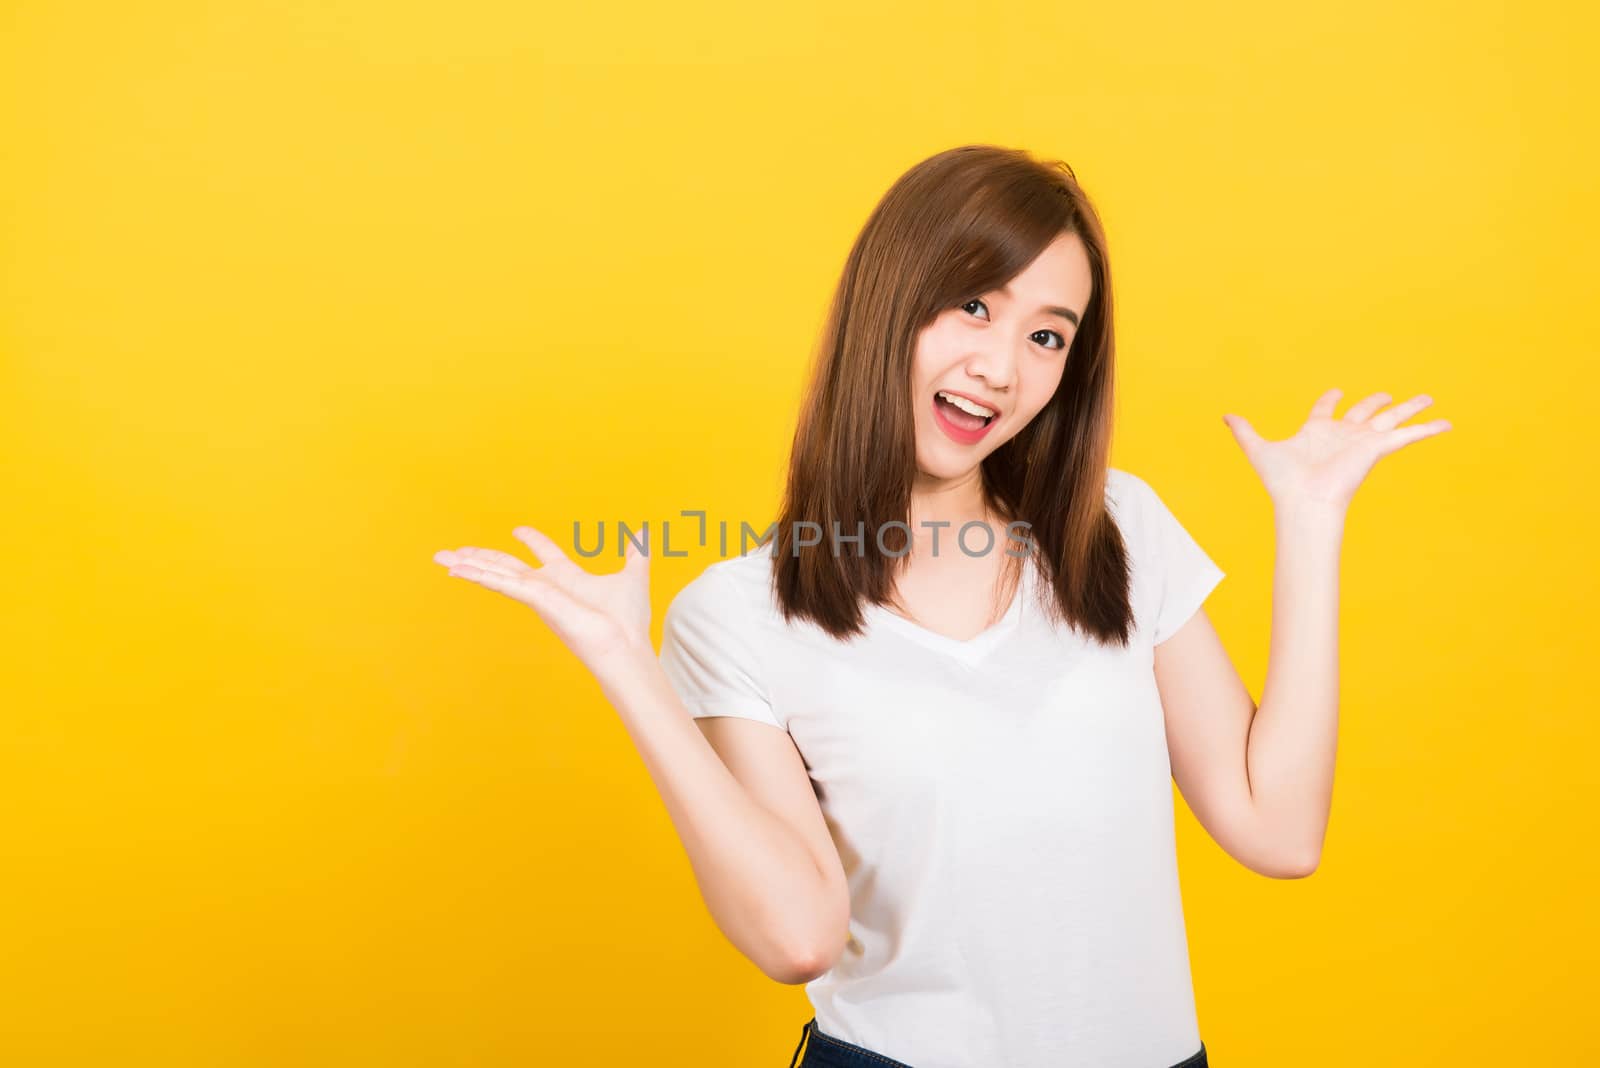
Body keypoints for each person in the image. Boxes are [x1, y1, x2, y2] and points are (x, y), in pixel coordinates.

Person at [432, 144, 1452, 1068]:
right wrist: (626, 663)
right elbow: (797, 939)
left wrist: (1311, 524)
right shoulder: (737, 613)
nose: (1002, 368)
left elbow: (1279, 833)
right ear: (889, 303)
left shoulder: (1116, 533)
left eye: (1048, 336)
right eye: (973, 306)